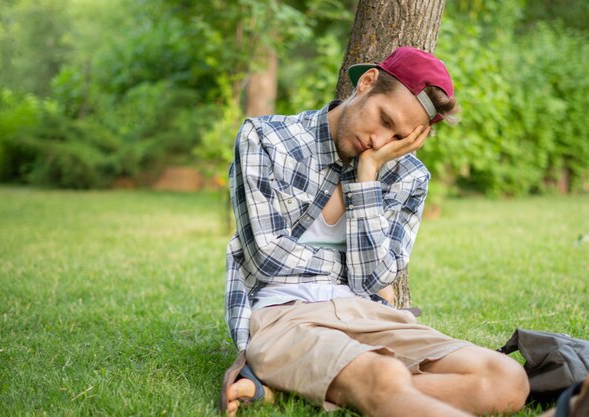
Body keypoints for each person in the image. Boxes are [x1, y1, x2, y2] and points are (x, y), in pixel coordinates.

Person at [221, 46, 530, 417]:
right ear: (366, 83)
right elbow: (267, 258)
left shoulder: (408, 176)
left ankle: (301, 387)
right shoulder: (266, 139)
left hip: (368, 315)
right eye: (384, 119)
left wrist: (366, 178)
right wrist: (353, 270)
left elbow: (376, 277)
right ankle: (369, 387)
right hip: (284, 315)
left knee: (507, 379)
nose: (381, 143)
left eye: (398, 137)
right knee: (383, 374)